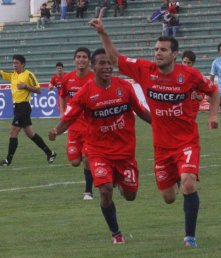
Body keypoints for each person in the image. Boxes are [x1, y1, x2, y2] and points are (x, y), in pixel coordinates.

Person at [89, 10, 220, 247]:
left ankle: (190, 237)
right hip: (162, 148)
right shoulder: (145, 70)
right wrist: (103, 33)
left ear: (175, 54)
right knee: (169, 198)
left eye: (163, 50)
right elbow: (117, 58)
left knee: (189, 182)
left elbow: (214, 91)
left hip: (187, 142)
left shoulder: (189, 75)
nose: (157, 53)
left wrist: (213, 114)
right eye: (156, 49)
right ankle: (178, 178)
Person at [49, 48, 151, 243]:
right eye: (102, 63)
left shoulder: (124, 87)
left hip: (125, 153)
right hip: (99, 152)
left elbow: (141, 110)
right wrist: (56, 130)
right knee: (105, 190)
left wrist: (160, 125)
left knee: (130, 196)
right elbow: (69, 117)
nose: (107, 67)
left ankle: (121, 182)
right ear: (93, 67)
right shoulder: (85, 93)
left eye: (109, 63)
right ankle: (116, 234)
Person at [0, 55, 56, 167]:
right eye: (13, 63)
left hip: (24, 107)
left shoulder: (28, 75)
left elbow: (39, 90)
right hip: (17, 107)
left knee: (13, 132)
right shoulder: (12, 75)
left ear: (23, 64)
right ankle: (50, 153)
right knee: (30, 134)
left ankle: (8, 160)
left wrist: (26, 86)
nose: (14, 65)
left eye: (17, 63)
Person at [59, 47, 94, 200]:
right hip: (73, 128)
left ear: (89, 61)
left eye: (84, 57)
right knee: (75, 162)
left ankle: (88, 191)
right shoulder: (67, 79)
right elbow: (62, 96)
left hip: (90, 128)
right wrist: (62, 114)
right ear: (74, 60)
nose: (81, 59)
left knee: (86, 158)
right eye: (78, 56)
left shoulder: (94, 78)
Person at [181, 50, 205, 120]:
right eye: (184, 62)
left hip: (192, 109)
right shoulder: (176, 74)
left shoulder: (198, 76)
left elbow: (201, 97)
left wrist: (196, 96)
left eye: (189, 63)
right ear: (181, 61)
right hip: (178, 107)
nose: (186, 65)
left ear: (193, 63)